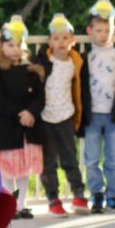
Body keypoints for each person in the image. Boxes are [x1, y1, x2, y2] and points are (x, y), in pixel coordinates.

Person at [0, 16, 46, 220]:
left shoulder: (31, 69)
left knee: (23, 169)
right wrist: (20, 113)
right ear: (1, 45)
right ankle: (10, 205)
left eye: (18, 45)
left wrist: (31, 113)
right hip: (8, 126)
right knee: (8, 170)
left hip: (29, 127)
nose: (15, 49)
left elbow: (40, 96)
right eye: (10, 45)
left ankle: (21, 204)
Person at [79, 0, 115, 214]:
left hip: (114, 115)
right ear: (90, 31)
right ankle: (96, 195)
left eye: (107, 30)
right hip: (92, 115)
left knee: (112, 159)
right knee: (91, 159)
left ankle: (112, 196)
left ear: (113, 30)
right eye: (99, 30)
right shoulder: (84, 58)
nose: (103, 34)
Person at [35, 13, 90, 217]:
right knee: (48, 160)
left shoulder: (76, 62)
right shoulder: (43, 61)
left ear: (72, 41)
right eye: (56, 38)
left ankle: (78, 193)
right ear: (50, 42)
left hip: (66, 114)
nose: (61, 42)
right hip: (45, 116)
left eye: (65, 38)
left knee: (70, 156)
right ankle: (53, 198)